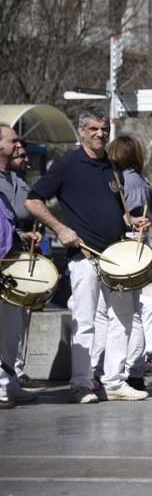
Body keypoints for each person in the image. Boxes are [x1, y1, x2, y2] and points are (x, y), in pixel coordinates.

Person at [25, 110, 152, 404]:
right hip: (83, 256)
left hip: (115, 257)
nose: (99, 134)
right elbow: (33, 200)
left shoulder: (112, 167)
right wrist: (60, 228)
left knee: (122, 320)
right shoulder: (67, 165)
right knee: (85, 320)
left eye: (103, 128)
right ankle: (81, 383)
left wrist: (132, 221)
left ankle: (114, 381)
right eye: (93, 128)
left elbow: (115, 208)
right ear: (81, 131)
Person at [93, 134, 152, 393]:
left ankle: (130, 369)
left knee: (126, 312)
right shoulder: (140, 180)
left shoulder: (126, 182)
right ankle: (131, 369)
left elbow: (125, 216)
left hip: (125, 250)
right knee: (131, 311)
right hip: (136, 249)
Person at [0, 124, 44, 404]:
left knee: (11, 327)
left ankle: (9, 381)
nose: (19, 145)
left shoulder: (11, 184)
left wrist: (20, 236)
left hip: (9, 263)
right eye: (12, 140)